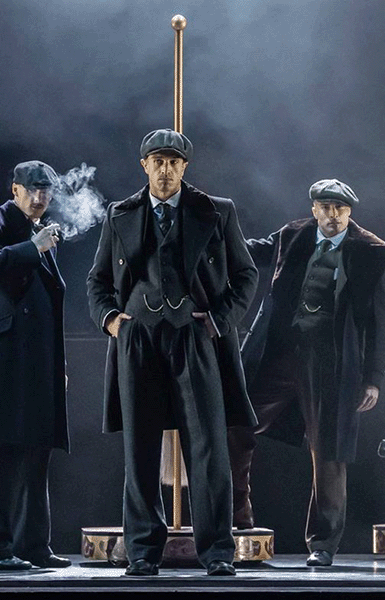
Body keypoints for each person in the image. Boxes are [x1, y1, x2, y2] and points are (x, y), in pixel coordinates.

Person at [87, 129, 258, 576]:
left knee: (209, 449)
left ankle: (218, 552)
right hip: (139, 339)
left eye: (174, 162)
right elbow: (97, 281)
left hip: (196, 339)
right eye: (157, 161)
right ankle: (143, 552)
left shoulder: (216, 211)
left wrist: (218, 321)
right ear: (143, 165)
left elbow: (246, 275)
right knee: (139, 448)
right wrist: (111, 320)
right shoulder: (119, 213)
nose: (165, 170)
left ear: (185, 167)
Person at [228, 178, 385, 567]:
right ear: (314, 209)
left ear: (349, 212)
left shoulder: (370, 250)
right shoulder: (294, 234)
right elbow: (252, 252)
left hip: (331, 361)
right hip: (280, 353)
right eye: (325, 207)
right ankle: (235, 517)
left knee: (329, 449)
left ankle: (323, 541)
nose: (332, 215)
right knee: (235, 423)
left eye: (339, 209)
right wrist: (214, 234)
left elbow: (377, 319)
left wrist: (373, 378)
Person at [0, 161, 70, 570]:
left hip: (38, 358)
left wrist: (56, 363)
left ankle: (32, 545)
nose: (41, 197)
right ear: (15, 189)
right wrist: (34, 247)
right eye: (33, 189)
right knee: (1, 449)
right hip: (8, 355)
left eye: (47, 191)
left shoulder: (37, 232)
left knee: (36, 450)